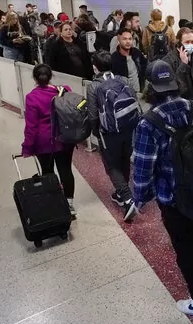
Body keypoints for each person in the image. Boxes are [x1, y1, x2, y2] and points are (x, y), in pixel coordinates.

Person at [133, 60, 193, 317]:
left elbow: (144, 166)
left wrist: (140, 197)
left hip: (172, 197)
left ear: (150, 87)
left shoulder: (148, 123)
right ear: (175, 84)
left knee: (184, 246)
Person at [87, 51, 138, 221]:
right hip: (128, 126)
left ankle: (127, 198)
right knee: (124, 158)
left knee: (111, 164)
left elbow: (93, 114)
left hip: (108, 132)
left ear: (95, 67)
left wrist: (95, 131)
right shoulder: (123, 79)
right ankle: (119, 193)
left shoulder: (93, 86)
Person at [21, 64, 77, 217]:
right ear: (51, 76)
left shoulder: (32, 97)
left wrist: (27, 147)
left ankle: (54, 205)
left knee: (48, 173)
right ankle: (70, 205)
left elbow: (31, 127)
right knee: (66, 170)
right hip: (65, 138)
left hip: (44, 142)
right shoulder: (65, 89)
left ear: (34, 78)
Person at [111, 28, 147, 93]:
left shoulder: (137, 53)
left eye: (130, 39)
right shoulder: (114, 58)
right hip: (123, 93)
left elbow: (144, 66)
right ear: (119, 41)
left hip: (139, 92)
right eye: (125, 39)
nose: (128, 41)